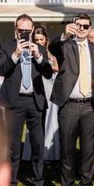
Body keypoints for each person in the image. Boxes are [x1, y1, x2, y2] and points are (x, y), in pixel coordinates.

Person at [0, 14, 54, 186]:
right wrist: (15, 55)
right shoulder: (6, 47)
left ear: (32, 29)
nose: (24, 34)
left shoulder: (39, 48)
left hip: (35, 99)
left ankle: (38, 182)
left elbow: (47, 72)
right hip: (15, 100)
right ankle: (11, 184)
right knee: (13, 145)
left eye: (27, 31)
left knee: (38, 144)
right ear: (15, 28)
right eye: (21, 30)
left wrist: (38, 55)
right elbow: (1, 70)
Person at [50, 13, 94, 186]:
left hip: (91, 106)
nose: (81, 28)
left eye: (85, 26)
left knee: (89, 150)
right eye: (78, 25)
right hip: (69, 105)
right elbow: (52, 47)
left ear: (90, 28)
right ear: (72, 26)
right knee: (67, 150)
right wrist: (63, 35)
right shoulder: (65, 45)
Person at [22, 26, 60, 162]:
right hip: (37, 87)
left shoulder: (50, 53)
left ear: (46, 39)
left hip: (50, 86)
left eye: (41, 39)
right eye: (36, 39)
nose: (39, 42)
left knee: (51, 119)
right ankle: (32, 153)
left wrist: (49, 66)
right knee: (36, 121)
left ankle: (49, 154)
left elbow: (58, 68)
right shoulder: (29, 52)